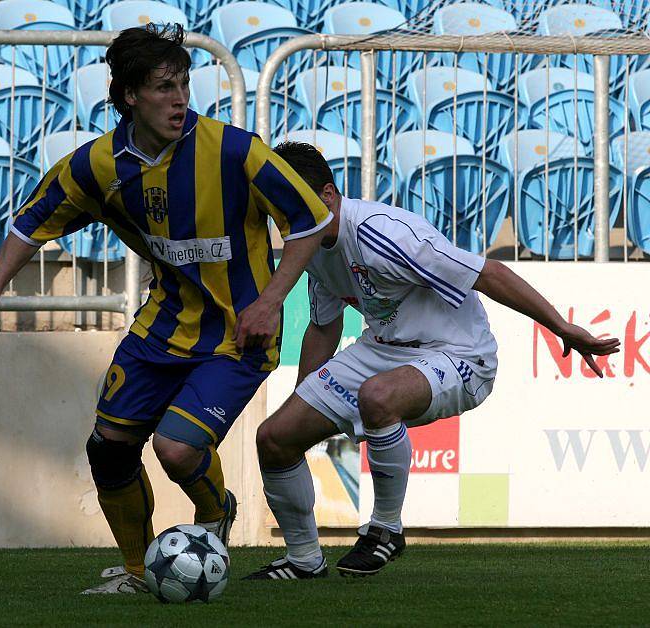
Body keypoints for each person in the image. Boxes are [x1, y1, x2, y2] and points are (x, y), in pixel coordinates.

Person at [0, 26, 331, 593]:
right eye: (164, 87)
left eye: (184, 84)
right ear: (130, 95)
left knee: (176, 448)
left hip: (239, 335)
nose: (180, 98)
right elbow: (29, 224)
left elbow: (311, 222)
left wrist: (271, 301)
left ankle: (214, 517)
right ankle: (136, 571)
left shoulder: (235, 151)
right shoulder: (98, 166)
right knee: (108, 449)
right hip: (161, 328)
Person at [246, 142, 621, 580]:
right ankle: (303, 560)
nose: (288, 224)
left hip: (459, 352)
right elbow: (325, 327)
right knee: (274, 437)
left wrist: (562, 327)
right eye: (280, 214)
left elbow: (488, 273)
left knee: (378, 395)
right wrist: (307, 403)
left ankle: (386, 529)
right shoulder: (311, 249)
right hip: (383, 348)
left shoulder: (383, 233)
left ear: (328, 195)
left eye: (294, 209)